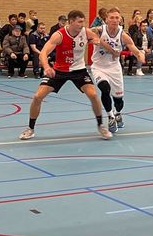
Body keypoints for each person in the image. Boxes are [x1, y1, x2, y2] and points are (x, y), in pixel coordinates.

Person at [20, 10, 109, 140]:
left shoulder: (85, 32)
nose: (82, 24)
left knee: (94, 95)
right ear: (71, 21)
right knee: (38, 96)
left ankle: (101, 125)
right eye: (79, 22)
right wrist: (46, 67)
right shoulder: (59, 35)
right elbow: (43, 53)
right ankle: (30, 128)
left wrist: (96, 40)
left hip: (79, 70)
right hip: (59, 71)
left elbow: (96, 38)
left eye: (83, 22)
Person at [91, 8, 144, 133]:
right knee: (104, 88)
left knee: (118, 100)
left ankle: (117, 113)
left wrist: (139, 55)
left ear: (120, 19)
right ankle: (110, 116)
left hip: (114, 68)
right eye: (112, 18)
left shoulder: (123, 34)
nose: (115, 20)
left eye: (117, 18)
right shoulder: (99, 30)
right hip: (99, 66)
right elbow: (85, 32)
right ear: (106, 20)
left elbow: (133, 48)